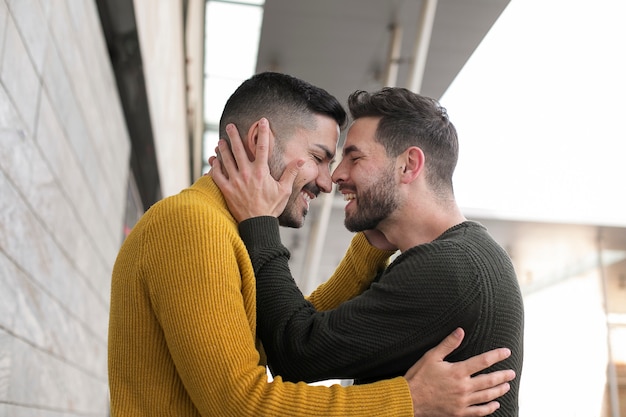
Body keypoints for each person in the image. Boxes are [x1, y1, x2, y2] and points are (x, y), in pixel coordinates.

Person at [109, 72, 516, 417]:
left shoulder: (455, 265)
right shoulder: (191, 225)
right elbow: (246, 400)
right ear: (259, 140)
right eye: (320, 157)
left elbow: (296, 333)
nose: (329, 179)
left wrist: (376, 236)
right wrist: (407, 400)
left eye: (348, 159)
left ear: (409, 165)